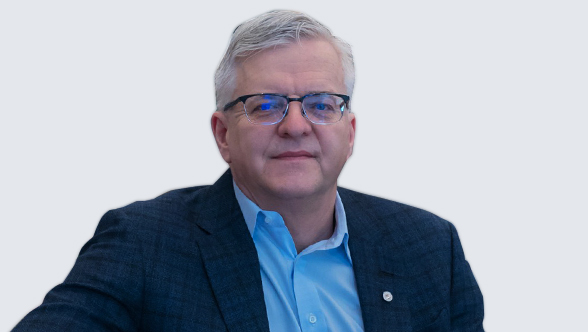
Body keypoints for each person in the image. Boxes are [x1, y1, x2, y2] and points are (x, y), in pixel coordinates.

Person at [13, 10, 484, 332]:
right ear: (222, 134)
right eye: (265, 106)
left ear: (351, 131)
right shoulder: (143, 243)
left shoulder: (428, 247)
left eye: (321, 104)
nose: (296, 126)